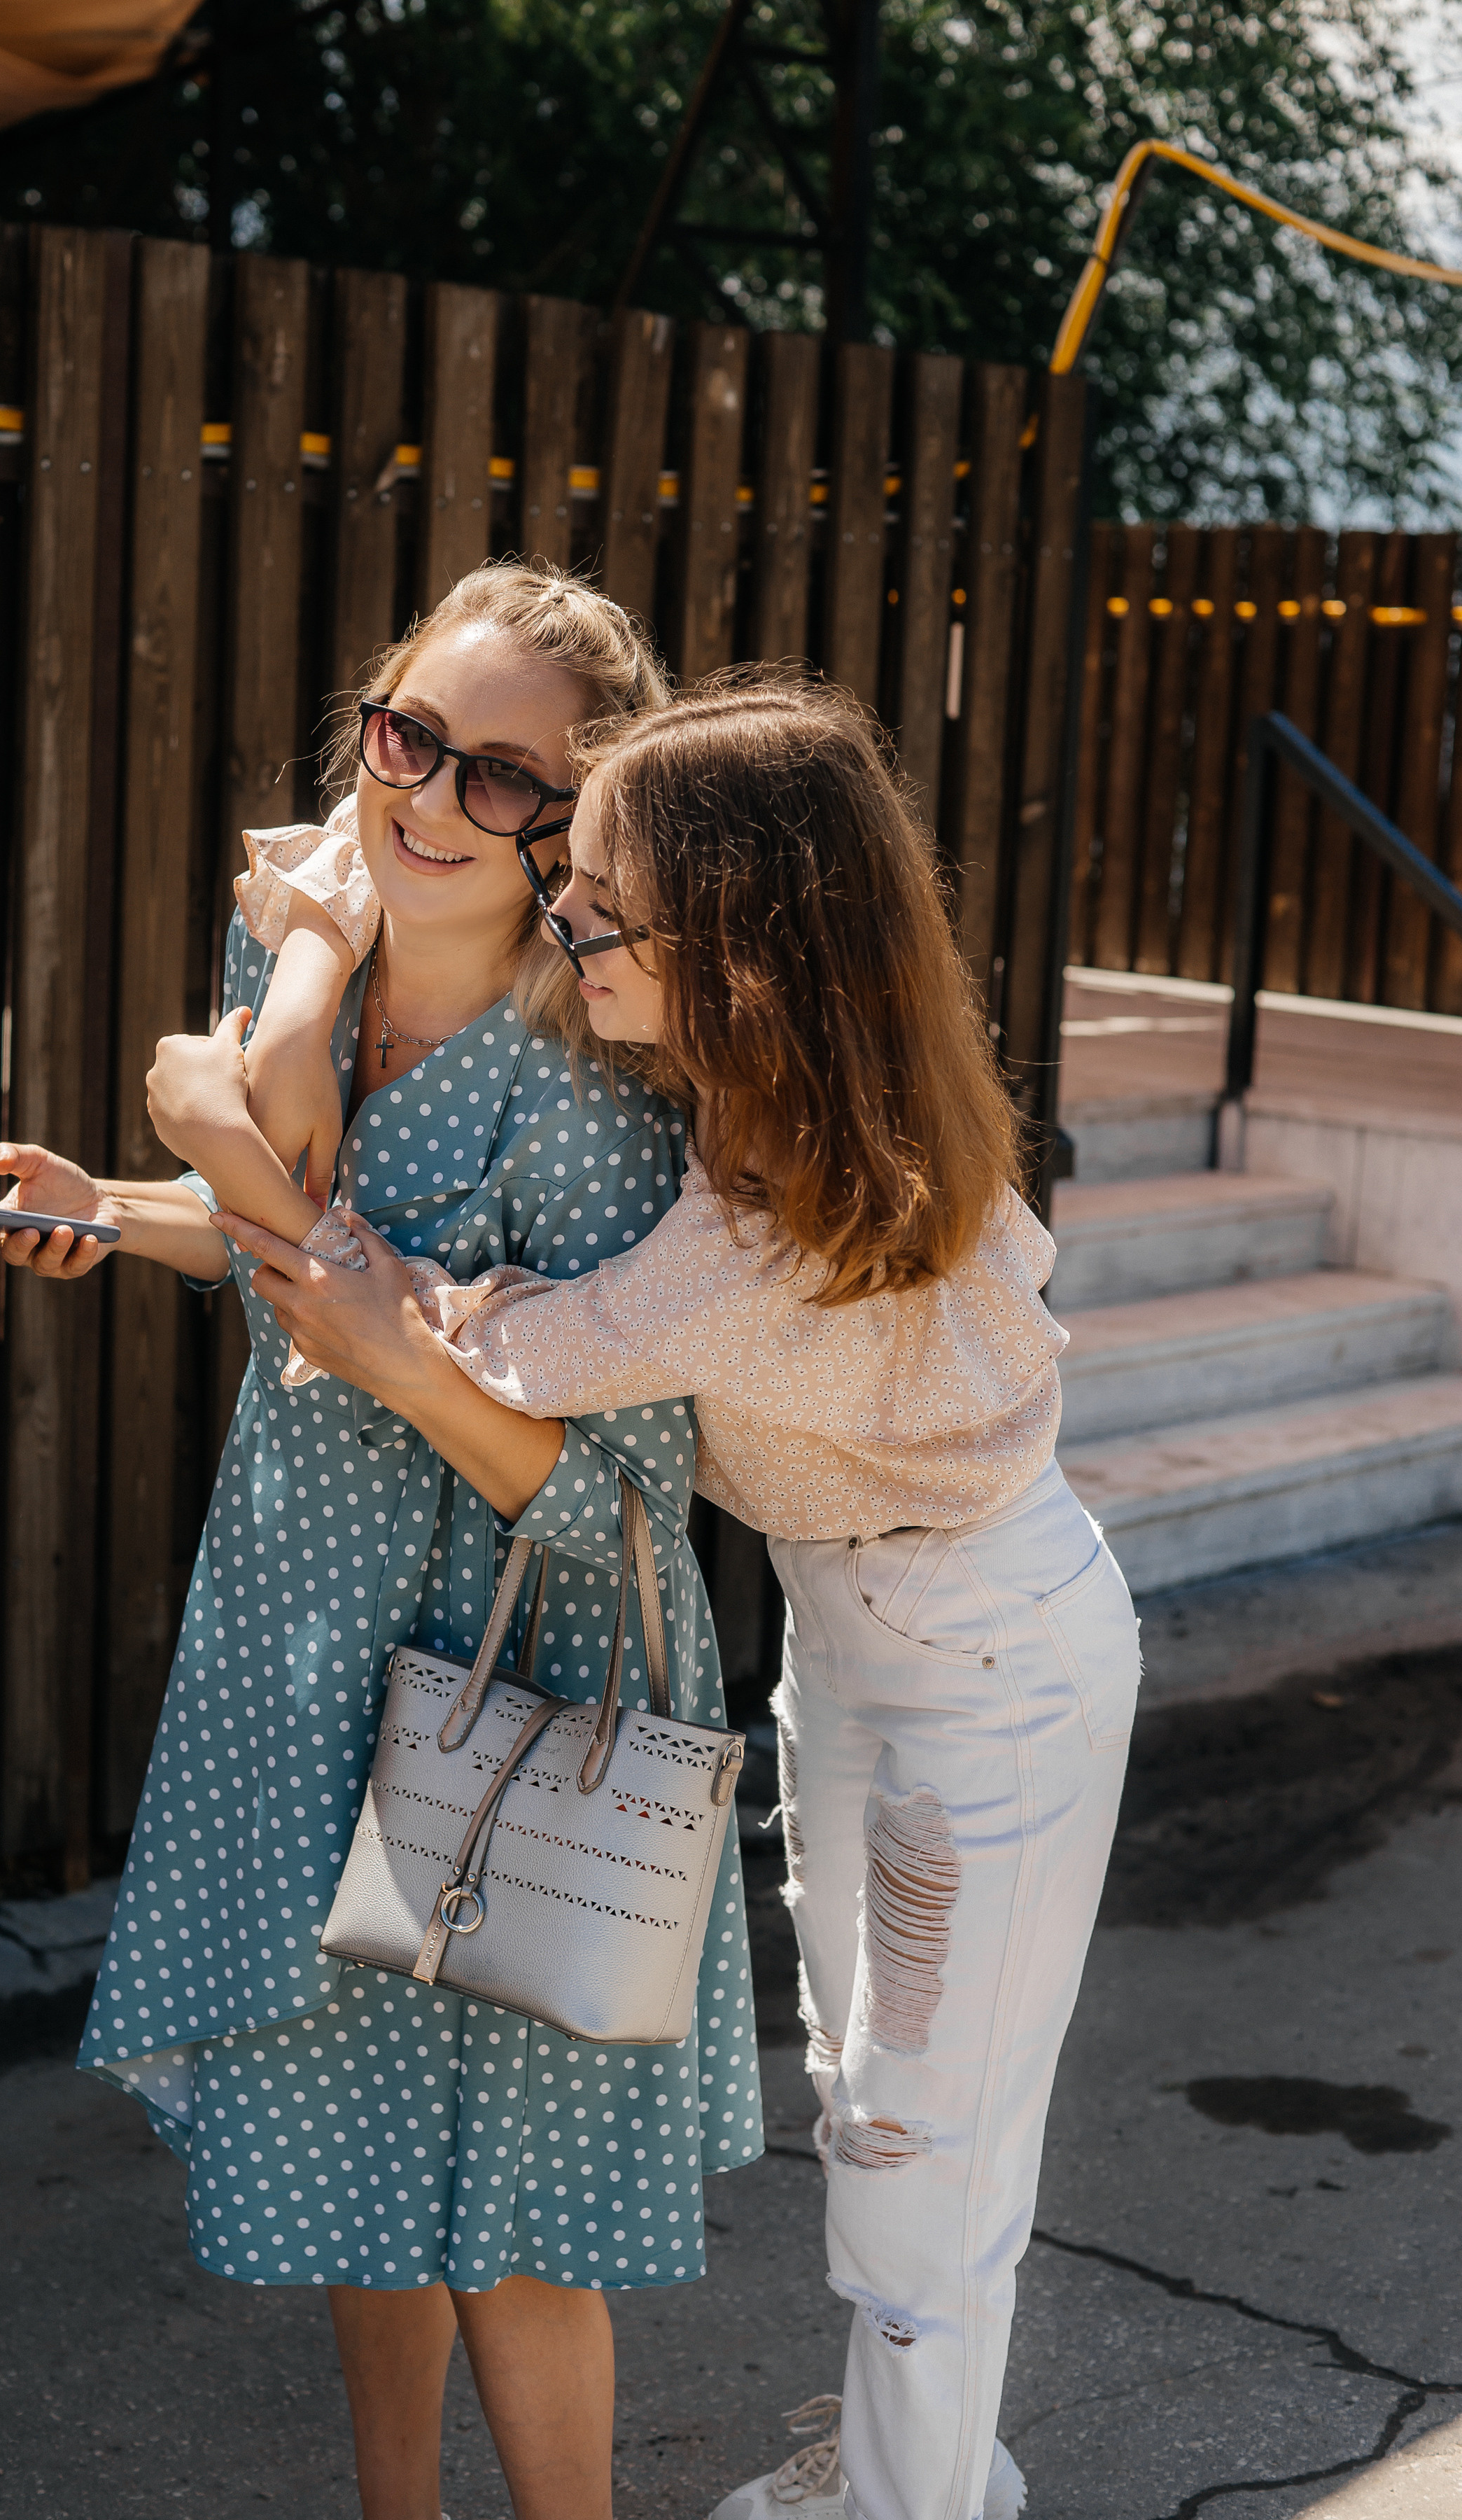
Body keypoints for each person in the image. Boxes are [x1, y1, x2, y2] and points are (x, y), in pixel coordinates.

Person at [204, 673, 1141, 2520]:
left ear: (744, 945)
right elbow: (1013, 1284)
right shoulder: (819, 1106)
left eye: (604, 907)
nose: (563, 919)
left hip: (983, 1657)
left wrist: (269, 1024)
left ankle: (914, 2502)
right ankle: (911, 2470)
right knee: (873, 2095)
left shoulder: (772, 1229)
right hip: (886, 1628)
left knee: (913, 2151)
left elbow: (455, 1344)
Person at [0, 564, 762, 2520]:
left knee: (526, 2226)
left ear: (577, 823)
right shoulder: (314, 992)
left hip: (536, 1667)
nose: (425, 800)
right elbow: (291, 1228)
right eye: (408, 740)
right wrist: (124, 1203)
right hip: (310, 1641)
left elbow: (614, 1487)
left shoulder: (601, 1098)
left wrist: (235, 1130)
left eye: (498, 778)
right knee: (359, 2178)